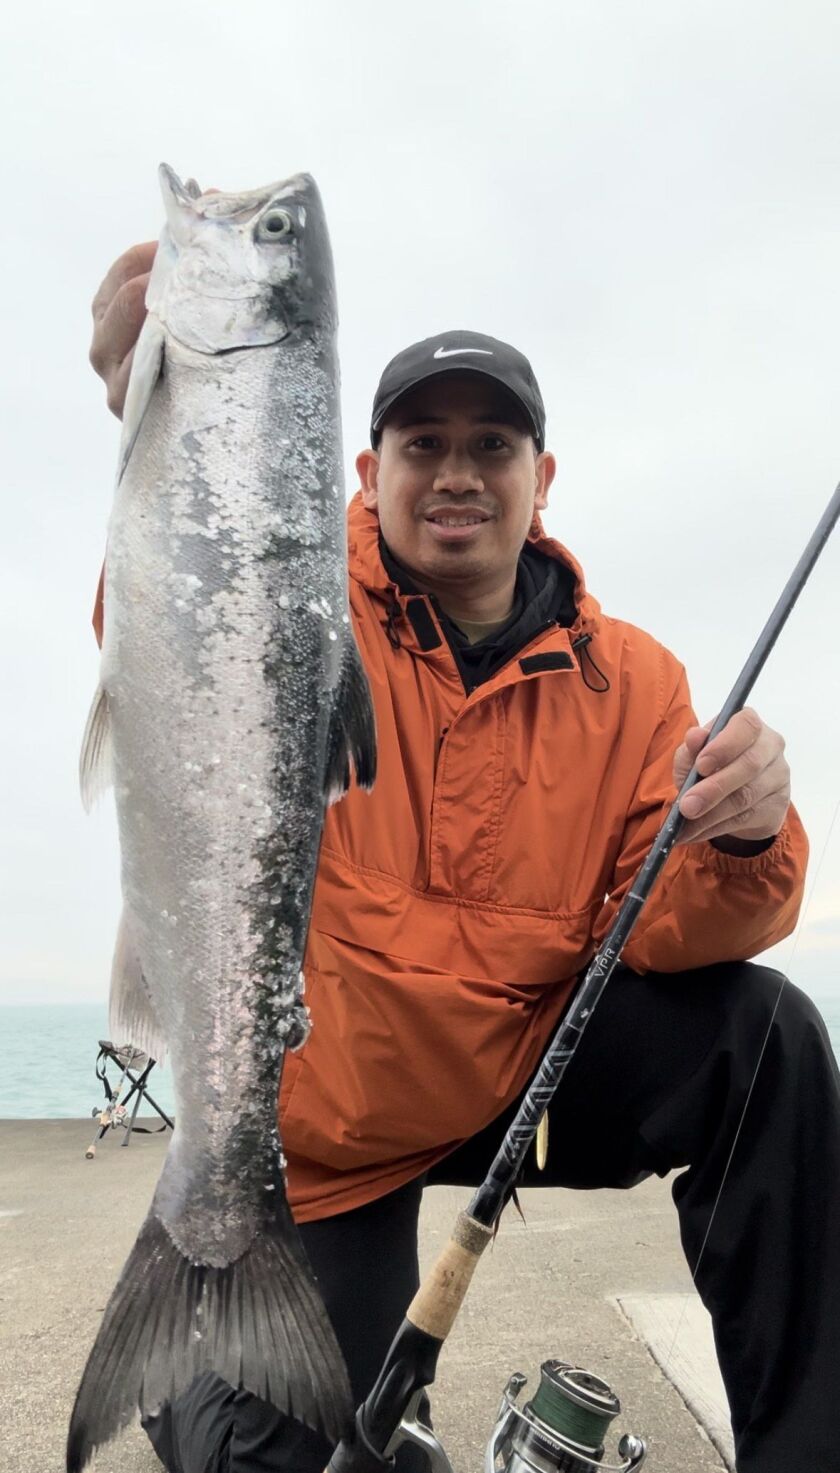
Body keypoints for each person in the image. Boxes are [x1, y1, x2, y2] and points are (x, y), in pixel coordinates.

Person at [86, 242, 840, 1473]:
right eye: (423, 444)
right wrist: (159, 423)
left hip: (520, 1088)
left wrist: (746, 834)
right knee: (246, 1453)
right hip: (323, 1131)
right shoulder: (291, 589)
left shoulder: (637, 682)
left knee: (768, 1036)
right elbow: (166, 624)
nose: (457, 473)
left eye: (491, 447)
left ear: (542, 479)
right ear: (368, 470)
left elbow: (660, 931)